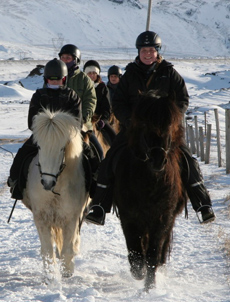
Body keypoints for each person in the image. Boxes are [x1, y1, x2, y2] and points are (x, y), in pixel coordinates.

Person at [85, 30, 215, 225]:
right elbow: (118, 102)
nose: (147, 53)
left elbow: (182, 99)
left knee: (187, 159)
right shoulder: (129, 75)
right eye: (144, 50)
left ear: (157, 51)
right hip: (134, 130)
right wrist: (130, 120)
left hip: (164, 132)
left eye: (151, 50)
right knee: (110, 159)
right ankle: (100, 206)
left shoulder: (169, 73)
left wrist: (171, 119)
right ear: (138, 51)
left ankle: (202, 204)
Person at [7, 59, 83, 200]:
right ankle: (16, 183)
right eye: (51, 79)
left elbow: (77, 122)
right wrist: (47, 130)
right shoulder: (39, 95)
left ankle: (95, 189)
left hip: (66, 139)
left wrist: (61, 131)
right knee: (22, 154)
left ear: (64, 79)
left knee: (90, 154)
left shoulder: (72, 96)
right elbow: (32, 122)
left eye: (58, 79)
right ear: (46, 79)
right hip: (42, 137)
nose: (54, 82)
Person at [58, 44, 103, 160]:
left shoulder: (84, 80)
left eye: (68, 58)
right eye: (63, 57)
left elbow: (90, 100)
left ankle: (98, 176)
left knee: (98, 153)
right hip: (56, 124)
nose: (65, 60)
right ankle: (17, 177)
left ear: (75, 60)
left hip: (80, 125)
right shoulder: (54, 76)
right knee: (29, 150)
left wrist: (83, 118)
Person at [83, 60, 116, 144]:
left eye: (94, 73)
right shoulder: (82, 87)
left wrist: (103, 119)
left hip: (98, 119)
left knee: (114, 137)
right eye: (89, 73)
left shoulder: (102, 88)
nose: (92, 75)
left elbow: (107, 107)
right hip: (83, 119)